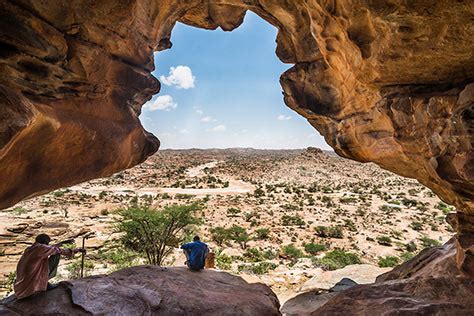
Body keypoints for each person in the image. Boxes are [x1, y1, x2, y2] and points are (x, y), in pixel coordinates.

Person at [14, 233, 85, 299]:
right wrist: (77, 250)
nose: (48, 244)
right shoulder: (41, 248)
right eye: (48, 242)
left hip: (22, 284)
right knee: (56, 254)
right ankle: (44, 283)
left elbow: (49, 248)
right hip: (30, 283)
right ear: (45, 241)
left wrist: (62, 243)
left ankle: (44, 282)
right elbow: (58, 250)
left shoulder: (30, 248)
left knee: (52, 254)